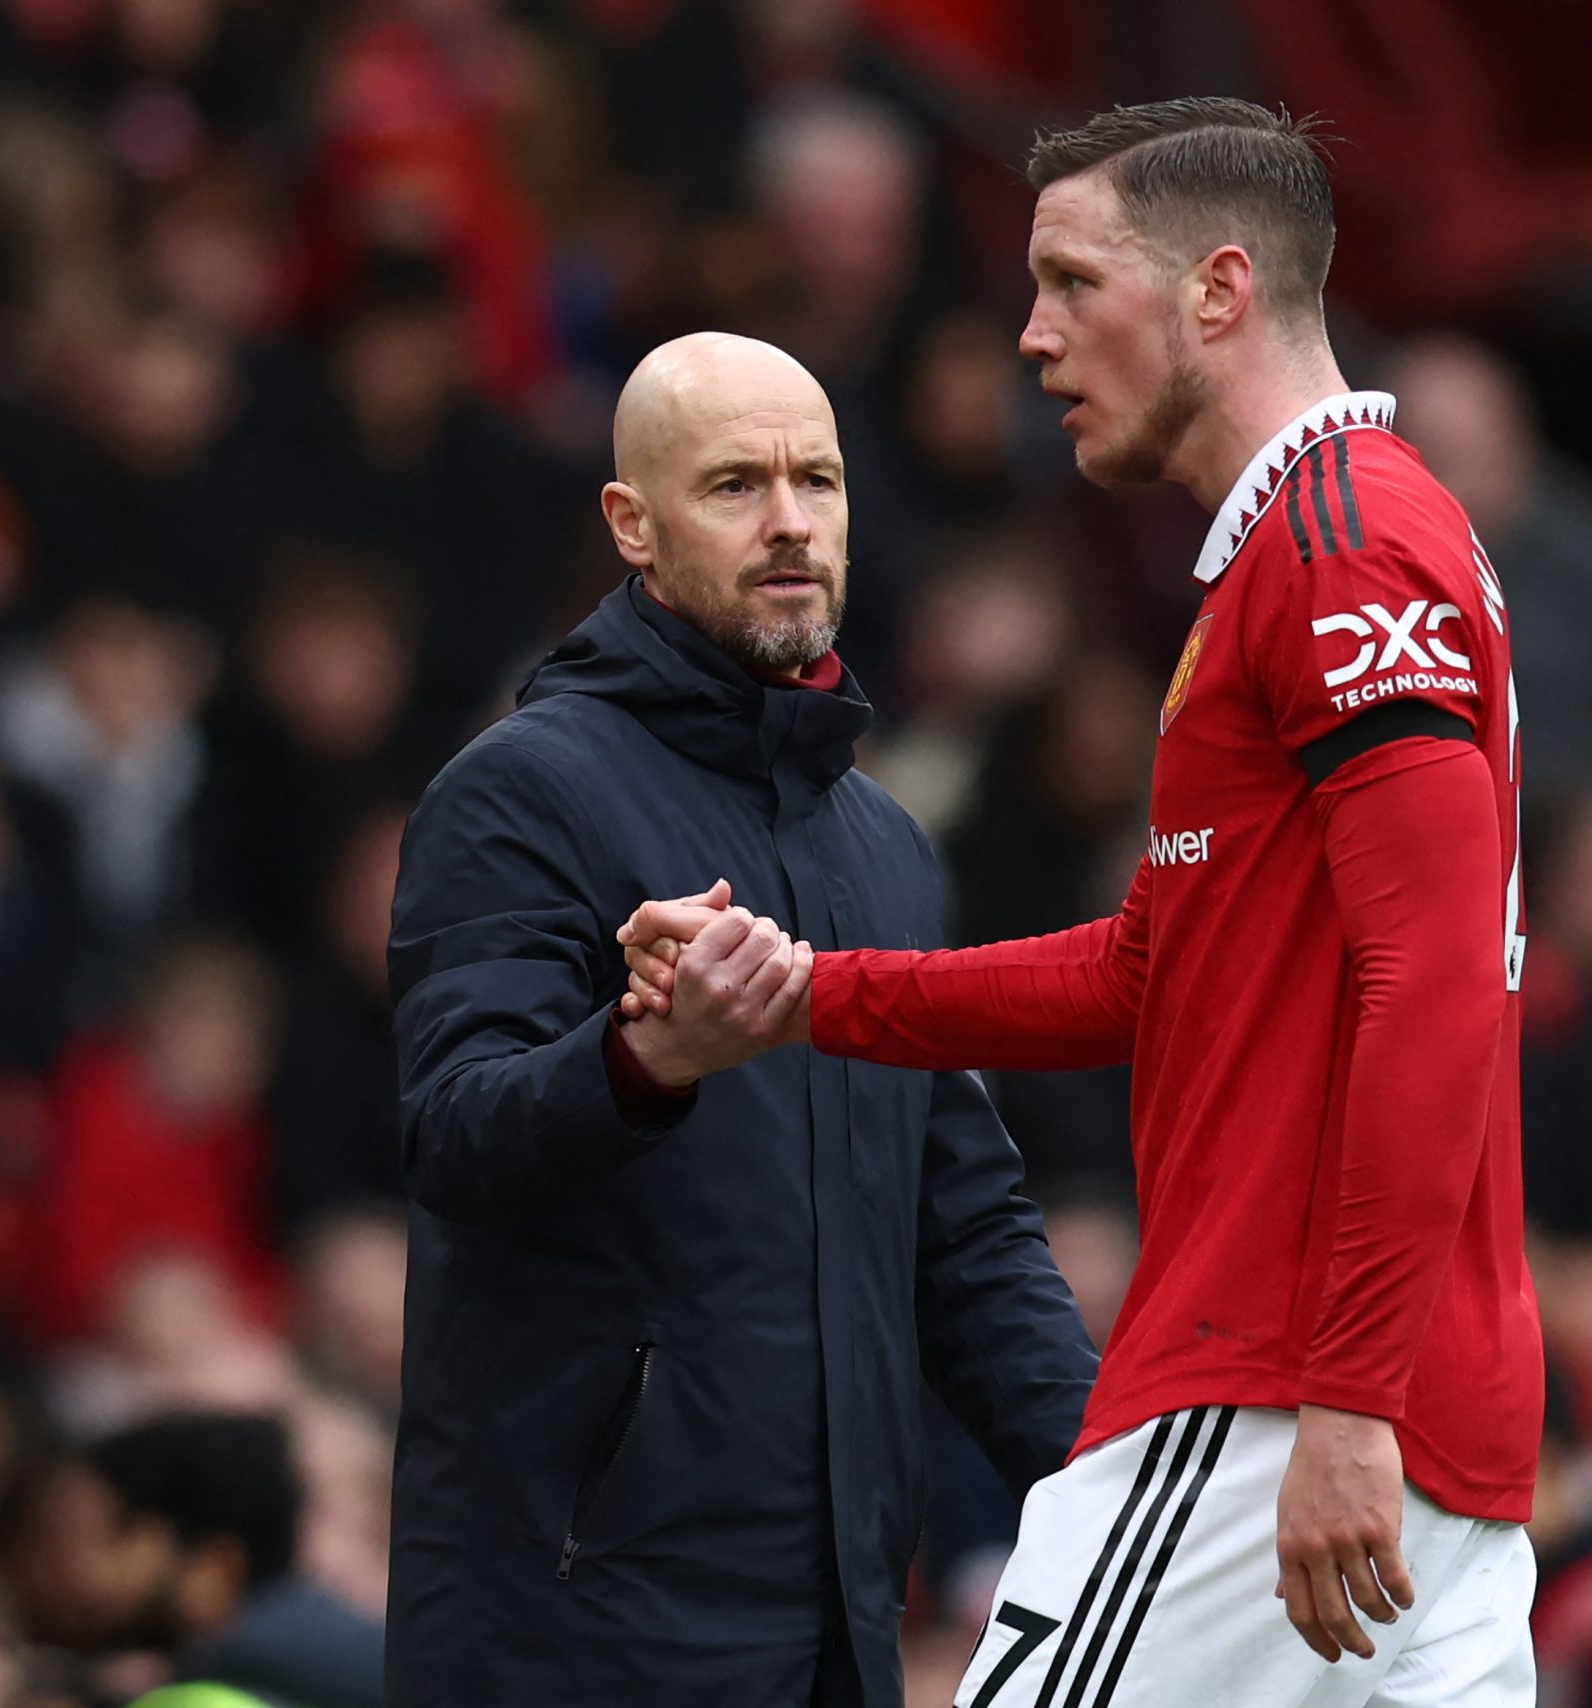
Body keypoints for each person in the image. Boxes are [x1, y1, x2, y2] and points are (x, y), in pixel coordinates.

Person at [626, 99, 1541, 1706]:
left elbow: (1438, 976)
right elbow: (1149, 972)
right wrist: (801, 994)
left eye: (1070, 281)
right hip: (1411, 1423)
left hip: (1276, 1409)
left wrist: (1345, 1395)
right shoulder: (1333, 543)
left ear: (1217, 291)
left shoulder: (1340, 547)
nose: (1032, 337)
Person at [384, 332, 1096, 1705]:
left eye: (816, 482)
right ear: (631, 526)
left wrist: (1113, 1486)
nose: (790, 522)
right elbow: (454, 1135)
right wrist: (648, 1059)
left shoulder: (885, 844)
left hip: (834, 1620)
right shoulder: (519, 793)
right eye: (734, 485)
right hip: (574, 1629)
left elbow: (962, 1225)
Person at [3, 1410, 385, 1708]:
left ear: (215, 1567)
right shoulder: (298, 1641)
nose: (77, 1569)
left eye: (116, 1535)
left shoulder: (262, 1658)